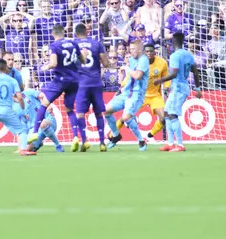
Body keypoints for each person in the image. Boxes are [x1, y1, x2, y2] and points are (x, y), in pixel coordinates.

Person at [27, 25, 80, 148]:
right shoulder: (73, 43)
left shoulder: (54, 46)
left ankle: (35, 132)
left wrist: (46, 67)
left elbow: (53, 63)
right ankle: (76, 137)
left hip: (60, 80)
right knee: (69, 110)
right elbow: (81, 60)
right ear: (63, 32)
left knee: (44, 104)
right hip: (74, 80)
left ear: (52, 33)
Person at [154, 33, 202, 152]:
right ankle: (170, 143)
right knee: (166, 114)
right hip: (179, 87)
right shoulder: (188, 55)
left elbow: (174, 74)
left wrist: (160, 80)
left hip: (179, 88)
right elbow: (195, 72)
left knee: (172, 114)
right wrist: (198, 89)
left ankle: (180, 145)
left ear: (173, 41)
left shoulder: (175, 56)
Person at [104, 39, 150, 151]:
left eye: (133, 49)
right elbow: (130, 77)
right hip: (126, 92)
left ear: (140, 49)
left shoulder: (143, 60)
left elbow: (138, 76)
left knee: (126, 117)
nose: (131, 51)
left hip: (136, 94)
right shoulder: (132, 60)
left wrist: (126, 68)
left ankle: (141, 141)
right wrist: (122, 80)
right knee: (106, 111)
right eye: (130, 48)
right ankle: (116, 135)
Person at [73, 23, 109, 152]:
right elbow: (105, 63)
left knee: (80, 113)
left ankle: (84, 141)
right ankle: (102, 142)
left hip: (81, 84)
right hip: (96, 82)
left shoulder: (73, 45)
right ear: (87, 32)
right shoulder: (96, 44)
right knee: (99, 113)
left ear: (76, 33)